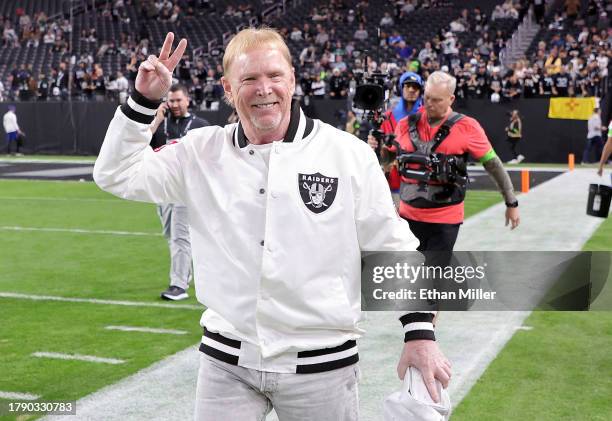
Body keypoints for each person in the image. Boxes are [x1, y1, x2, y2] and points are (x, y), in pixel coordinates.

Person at [94, 28, 451, 420]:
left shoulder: (346, 154)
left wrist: (420, 333)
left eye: (274, 76)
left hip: (324, 368)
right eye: (249, 79)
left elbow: (393, 247)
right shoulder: (201, 150)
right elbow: (115, 174)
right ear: (228, 89)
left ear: (293, 80)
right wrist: (143, 102)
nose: (263, 88)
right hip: (226, 364)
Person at [371, 71, 520, 253]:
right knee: (408, 274)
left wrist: (511, 202)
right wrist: (380, 149)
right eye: (427, 98)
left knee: (433, 275)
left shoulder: (468, 127)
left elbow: (493, 165)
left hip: (445, 219)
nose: (429, 105)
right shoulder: (404, 124)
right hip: (407, 216)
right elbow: (390, 161)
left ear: (451, 99)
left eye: (437, 100)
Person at [149, 83, 210, 300]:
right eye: (171, 100)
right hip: (164, 189)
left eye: (178, 100)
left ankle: (178, 285)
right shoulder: (162, 125)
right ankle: (185, 272)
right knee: (170, 234)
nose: (174, 104)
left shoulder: (200, 125)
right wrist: (157, 118)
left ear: (187, 100)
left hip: (187, 189)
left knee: (180, 237)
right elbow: (142, 142)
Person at [368, 71, 424, 194]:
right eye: (407, 86)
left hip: (418, 181)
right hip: (391, 182)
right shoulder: (387, 117)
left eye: (415, 87)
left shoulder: (426, 117)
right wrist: (373, 143)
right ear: (401, 88)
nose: (411, 90)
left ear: (420, 90)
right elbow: (379, 151)